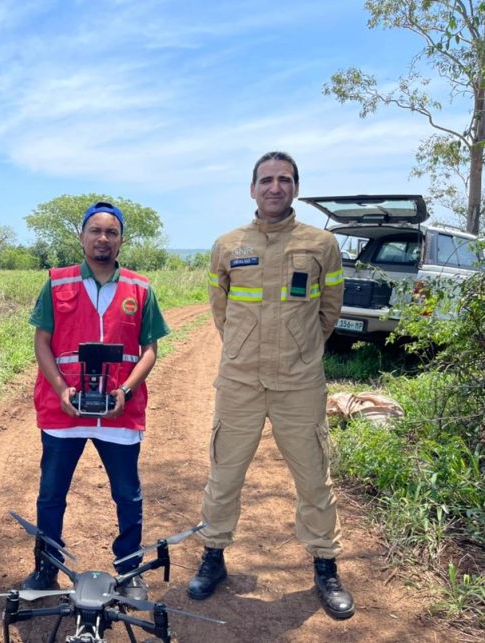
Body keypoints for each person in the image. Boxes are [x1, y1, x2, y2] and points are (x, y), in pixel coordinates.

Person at [186, 151, 354, 619]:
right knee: (224, 474)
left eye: (284, 179)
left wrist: (301, 348)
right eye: (266, 180)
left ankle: (325, 565)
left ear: (295, 188)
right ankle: (214, 557)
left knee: (313, 478)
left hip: (299, 383)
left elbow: (330, 307)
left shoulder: (321, 244)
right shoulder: (227, 245)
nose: (274, 187)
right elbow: (221, 311)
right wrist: (243, 347)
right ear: (252, 189)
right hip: (240, 380)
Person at [22, 201, 170, 602]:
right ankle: (46, 566)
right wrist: (59, 389)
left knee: (127, 494)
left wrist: (125, 391)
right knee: (51, 493)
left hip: (119, 412)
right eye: (96, 231)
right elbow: (42, 341)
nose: (103, 238)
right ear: (82, 236)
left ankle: (129, 569)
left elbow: (149, 349)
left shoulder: (140, 288)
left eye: (111, 232)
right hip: (64, 410)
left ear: (121, 240)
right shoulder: (56, 282)